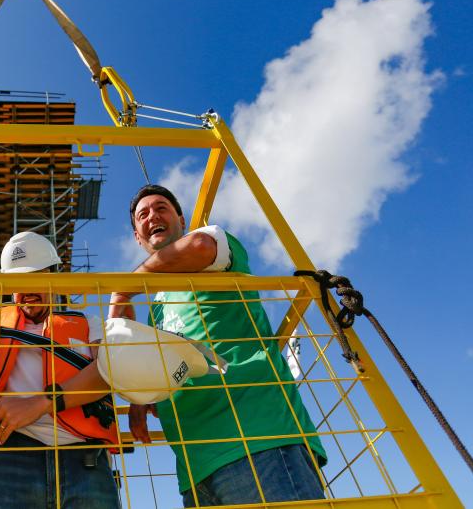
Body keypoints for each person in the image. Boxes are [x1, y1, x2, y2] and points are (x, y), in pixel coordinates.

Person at [110, 184, 326, 507]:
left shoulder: (213, 245)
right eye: (143, 215)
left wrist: (123, 290)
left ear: (181, 219)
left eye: (161, 208)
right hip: (195, 470)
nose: (152, 215)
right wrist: (142, 400)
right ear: (138, 238)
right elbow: (166, 365)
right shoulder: (157, 307)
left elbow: (198, 246)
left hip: (257, 442)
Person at [0, 231, 120, 509]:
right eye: (18, 281)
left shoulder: (87, 322)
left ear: (53, 276)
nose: (28, 289)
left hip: (82, 458)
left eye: (36, 276)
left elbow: (106, 373)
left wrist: (39, 403)